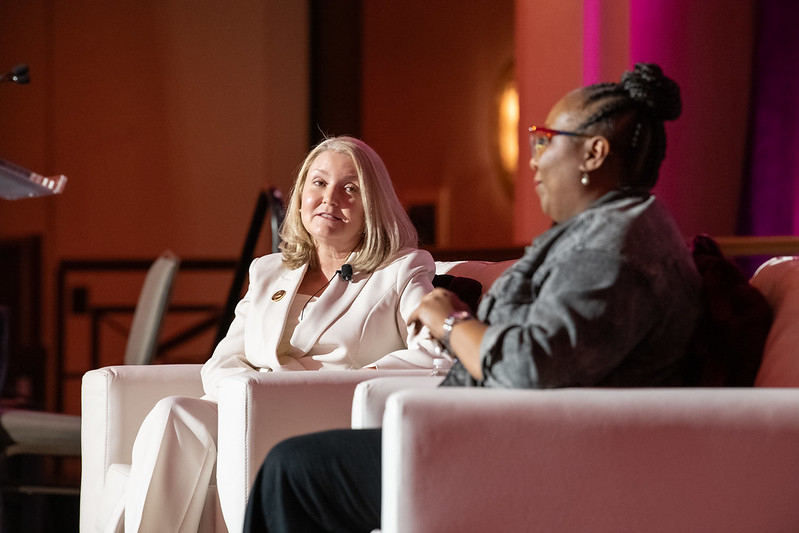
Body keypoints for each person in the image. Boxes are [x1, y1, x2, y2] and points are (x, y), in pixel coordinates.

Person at [243, 63, 704, 532]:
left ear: (594, 153)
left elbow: (530, 368)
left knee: (293, 471)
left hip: (526, 457)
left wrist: (452, 321)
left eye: (544, 140)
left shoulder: (611, 250)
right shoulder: (608, 230)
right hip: (496, 435)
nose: (534, 160)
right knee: (294, 465)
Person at [102, 136, 444, 532]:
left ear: (373, 206)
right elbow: (223, 361)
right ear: (300, 198)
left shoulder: (402, 270)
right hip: (250, 406)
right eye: (318, 183)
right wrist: (255, 394)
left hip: (325, 415)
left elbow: (434, 356)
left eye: (350, 188)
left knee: (182, 415)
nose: (330, 198)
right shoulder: (269, 271)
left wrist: (325, 385)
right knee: (174, 411)